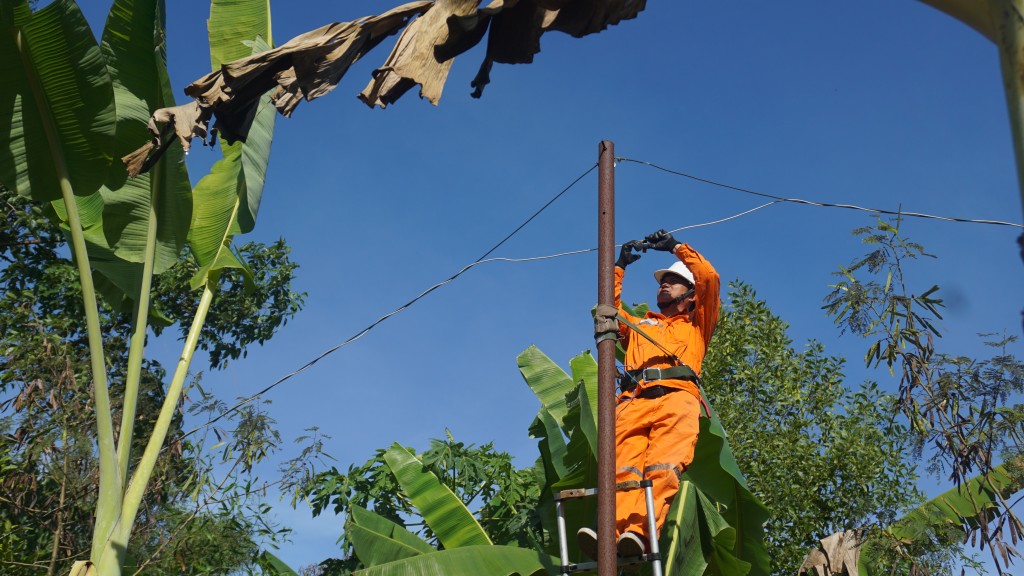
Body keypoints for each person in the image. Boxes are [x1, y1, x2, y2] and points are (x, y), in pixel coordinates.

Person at [578, 229, 721, 559]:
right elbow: (608, 309)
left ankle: (640, 533)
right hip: (635, 400)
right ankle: (609, 531)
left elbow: (709, 278)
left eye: (672, 281)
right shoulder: (643, 325)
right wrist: (619, 267)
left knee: (662, 468)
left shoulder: (699, 323)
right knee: (621, 470)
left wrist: (675, 247)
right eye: (662, 281)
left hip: (677, 398)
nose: (664, 285)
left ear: (691, 294)